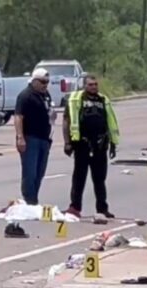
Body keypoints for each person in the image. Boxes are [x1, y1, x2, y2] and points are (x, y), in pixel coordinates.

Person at [62, 75, 120, 218]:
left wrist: (113, 144)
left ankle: (102, 208)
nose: (94, 87)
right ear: (84, 86)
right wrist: (67, 143)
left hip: (100, 145)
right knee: (79, 177)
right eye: (90, 85)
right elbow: (66, 121)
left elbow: (110, 122)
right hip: (82, 144)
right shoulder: (77, 99)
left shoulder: (103, 100)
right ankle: (75, 207)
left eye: (95, 84)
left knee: (100, 179)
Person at [14, 68, 54, 205]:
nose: (45, 85)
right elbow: (18, 117)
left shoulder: (45, 95)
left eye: (47, 82)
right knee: (30, 173)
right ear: (34, 81)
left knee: (40, 172)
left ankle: (34, 198)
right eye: (43, 82)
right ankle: (29, 200)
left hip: (44, 138)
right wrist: (20, 137)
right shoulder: (25, 96)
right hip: (30, 138)